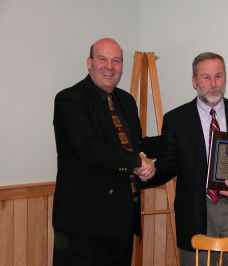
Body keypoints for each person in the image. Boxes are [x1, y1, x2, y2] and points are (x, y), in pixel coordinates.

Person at [143, 52, 228, 265]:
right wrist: (149, 171)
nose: (213, 84)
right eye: (206, 77)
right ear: (194, 81)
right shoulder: (176, 119)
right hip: (195, 212)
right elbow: (169, 165)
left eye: (219, 76)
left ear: (225, 77)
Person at [52, 38, 159, 266]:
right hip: (83, 226)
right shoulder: (70, 99)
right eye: (102, 59)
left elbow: (134, 145)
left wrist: (173, 140)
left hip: (121, 223)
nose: (109, 67)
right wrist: (137, 162)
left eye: (116, 60)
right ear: (89, 63)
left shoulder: (127, 101)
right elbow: (89, 148)